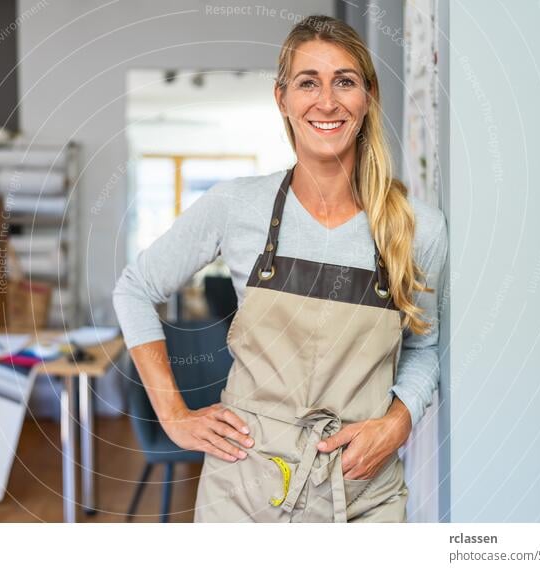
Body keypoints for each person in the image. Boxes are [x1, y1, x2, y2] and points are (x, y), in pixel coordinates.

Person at [112, 14, 448, 522]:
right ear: (282, 98)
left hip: (361, 493)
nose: (327, 101)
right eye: (308, 82)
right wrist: (173, 415)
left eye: (345, 82)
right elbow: (136, 287)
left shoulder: (418, 228)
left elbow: (424, 346)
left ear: (368, 96)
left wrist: (399, 420)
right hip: (243, 489)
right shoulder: (236, 207)